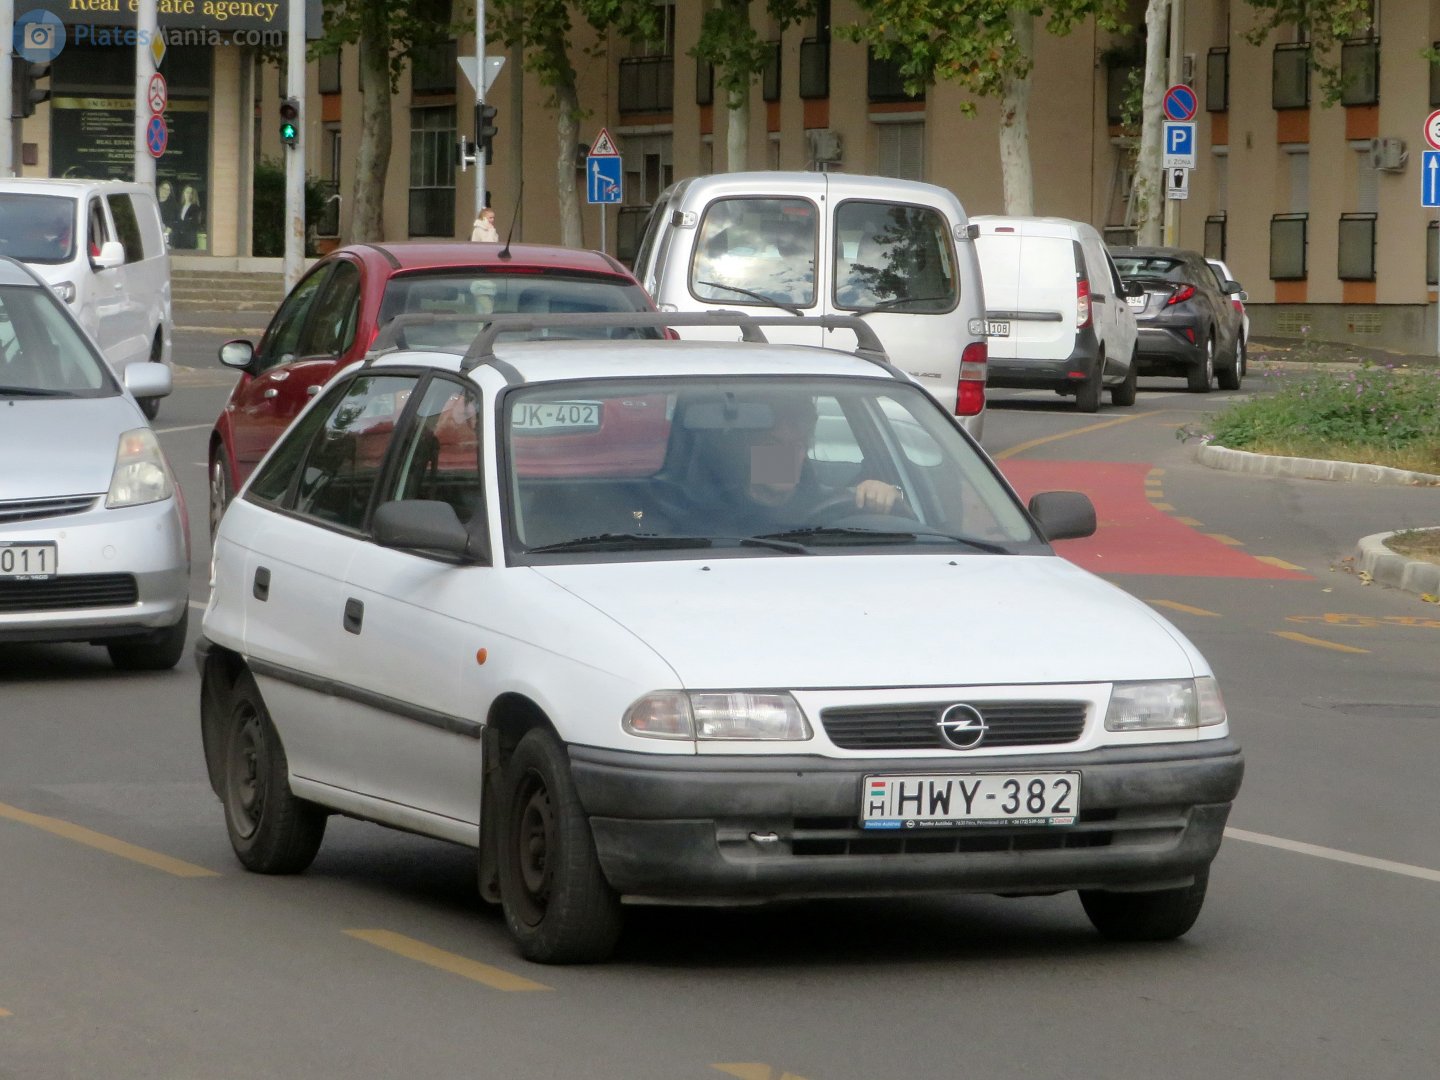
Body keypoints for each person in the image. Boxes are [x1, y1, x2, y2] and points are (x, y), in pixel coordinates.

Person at [697, 395, 903, 531]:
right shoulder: (711, 512)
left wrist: (884, 495)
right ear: (746, 449)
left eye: (798, 444)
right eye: (773, 444)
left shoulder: (834, 505)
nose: (787, 455)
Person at [171, 184, 204, 249]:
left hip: (189, 241)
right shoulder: (179, 207)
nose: (188, 194)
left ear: (193, 195)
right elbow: (175, 222)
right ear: (183, 193)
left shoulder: (196, 208)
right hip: (178, 241)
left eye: (190, 193)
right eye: (187, 192)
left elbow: (194, 224)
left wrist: (179, 224)